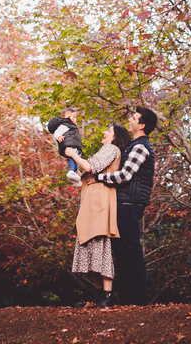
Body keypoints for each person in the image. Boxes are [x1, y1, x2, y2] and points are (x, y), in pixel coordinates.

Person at [94, 106, 158, 306]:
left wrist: (98, 178)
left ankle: (138, 300)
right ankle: (128, 299)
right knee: (121, 252)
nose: (130, 119)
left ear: (142, 125)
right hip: (123, 204)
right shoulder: (133, 145)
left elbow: (124, 176)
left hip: (131, 204)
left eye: (134, 117)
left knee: (130, 251)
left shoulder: (140, 147)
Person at [65, 124, 131, 307]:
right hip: (91, 203)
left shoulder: (111, 149)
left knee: (100, 247)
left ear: (116, 137)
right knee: (88, 246)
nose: (104, 132)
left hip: (99, 204)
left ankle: (107, 296)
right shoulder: (105, 150)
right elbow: (84, 173)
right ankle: (100, 293)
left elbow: (90, 166)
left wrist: (73, 154)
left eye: (108, 131)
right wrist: (71, 160)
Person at [46, 108, 84, 186]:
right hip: (69, 146)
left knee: (76, 160)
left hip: (73, 146)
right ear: (64, 117)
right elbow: (57, 132)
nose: (73, 118)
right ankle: (71, 172)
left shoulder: (73, 126)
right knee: (73, 159)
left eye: (74, 117)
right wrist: (59, 137)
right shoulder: (65, 124)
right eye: (70, 116)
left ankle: (75, 178)